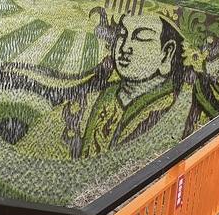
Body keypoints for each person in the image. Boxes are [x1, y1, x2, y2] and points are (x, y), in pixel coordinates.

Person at [79, 13, 186, 157]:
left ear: (166, 53)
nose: (124, 47)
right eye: (122, 35)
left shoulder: (172, 109)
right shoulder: (104, 94)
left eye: (140, 37)